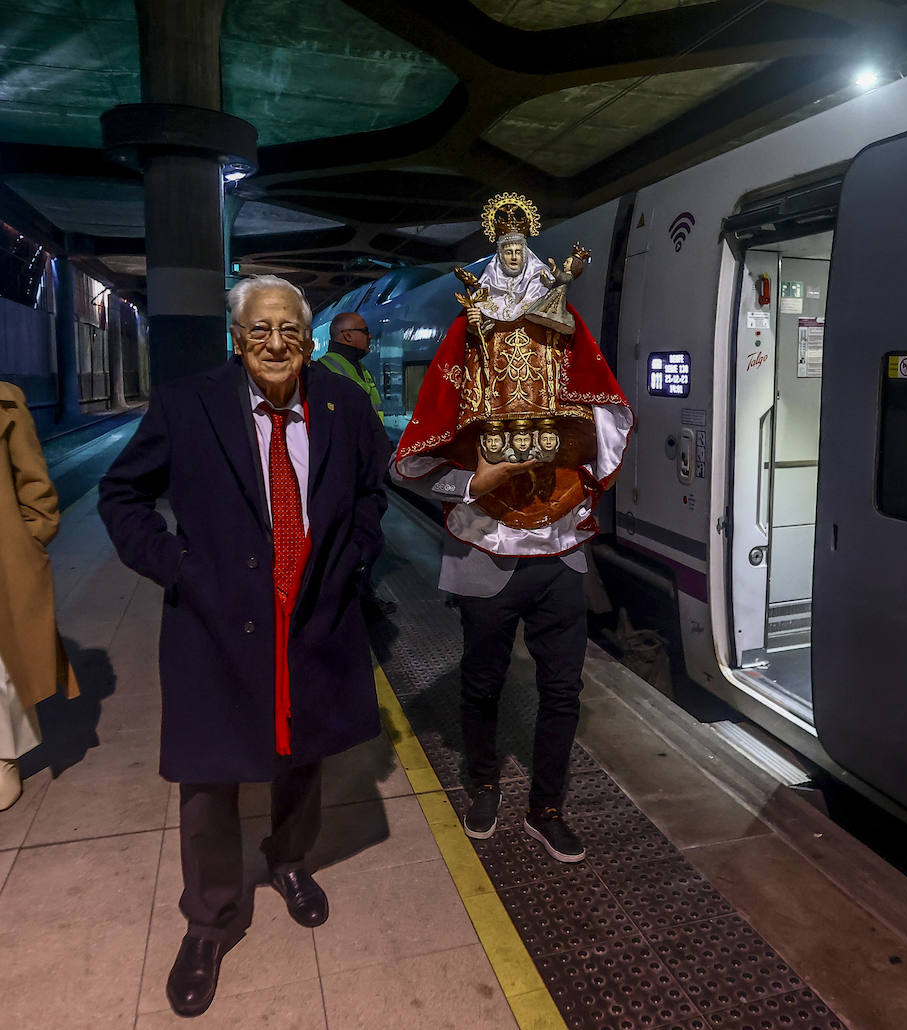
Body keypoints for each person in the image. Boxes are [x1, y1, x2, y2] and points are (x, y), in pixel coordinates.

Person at [98, 275, 386, 1017]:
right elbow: (121, 495)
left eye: (290, 329)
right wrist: (178, 568)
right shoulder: (186, 404)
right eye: (259, 330)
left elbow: (370, 493)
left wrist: (353, 555)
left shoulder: (344, 406)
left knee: (302, 760)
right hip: (215, 630)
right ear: (236, 336)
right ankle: (211, 920)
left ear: (309, 337)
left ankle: (289, 862)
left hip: (312, 623)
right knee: (209, 784)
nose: (276, 344)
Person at [392, 192, 632, 863]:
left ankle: (548, 807)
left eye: (522, 244)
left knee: (562, 689)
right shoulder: (465, 342)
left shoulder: (565, 334)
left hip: (559, 555)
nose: (514, 252)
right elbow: (410, 462)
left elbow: (605, 409)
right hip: (486, 555)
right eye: (505, 245)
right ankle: (483, 783)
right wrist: (473, 482)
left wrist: (574, 439)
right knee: (482, 682)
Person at [0, 382, 78, 811]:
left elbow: (36, 488)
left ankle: (3, 755)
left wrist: (25, 543)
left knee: (2, 663)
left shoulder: (6, 402)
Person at [316, 311, 396, 618]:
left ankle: (360, 596)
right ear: (347, 336)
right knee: (353, 541)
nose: (370, 337)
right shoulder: (326, 371)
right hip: (345, 476)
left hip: (365, 473)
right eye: (365, 331)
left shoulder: (359, 371)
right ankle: (352, 603)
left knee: (366, 538)